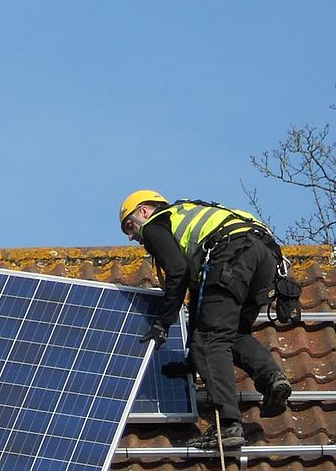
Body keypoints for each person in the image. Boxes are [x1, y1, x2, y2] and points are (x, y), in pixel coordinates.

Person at [119, 190, 293, 449]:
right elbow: (199, 300)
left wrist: (162, 324)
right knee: (233, 334)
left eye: (130, 227)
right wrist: (190, 360)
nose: (133, 237)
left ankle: (227, 425)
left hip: (231, 257)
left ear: (144, 211)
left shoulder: (156, 225)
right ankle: (272, 380)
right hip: (266, 259)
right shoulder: (190, 215)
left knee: (211, 342)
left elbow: (177, 272)